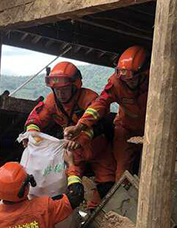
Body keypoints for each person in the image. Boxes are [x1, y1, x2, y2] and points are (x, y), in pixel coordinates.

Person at [23, 61, 116, 209]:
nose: (60, 94)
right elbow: (37, 117)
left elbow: (100, 124)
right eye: (56, 90)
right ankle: (67, 218)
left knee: (107, 185)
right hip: (73, 151)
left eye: (64, 89)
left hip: (98, 148)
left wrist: (82, 137)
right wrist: (30, 133)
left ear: (75, 85)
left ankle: (94, 214)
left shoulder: (89, 98)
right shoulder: (52, 101)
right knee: (69, 186)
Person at [65, 46, 150, 181]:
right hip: (125, 129)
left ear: (144, 74)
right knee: (122, 169)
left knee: (152, 168)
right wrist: (80, 126)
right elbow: (100, 104)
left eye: (132, 79)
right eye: (125, 79)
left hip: (152, 131)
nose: (128, 82)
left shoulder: (156, 81)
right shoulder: (117, 82)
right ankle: (122, 200)